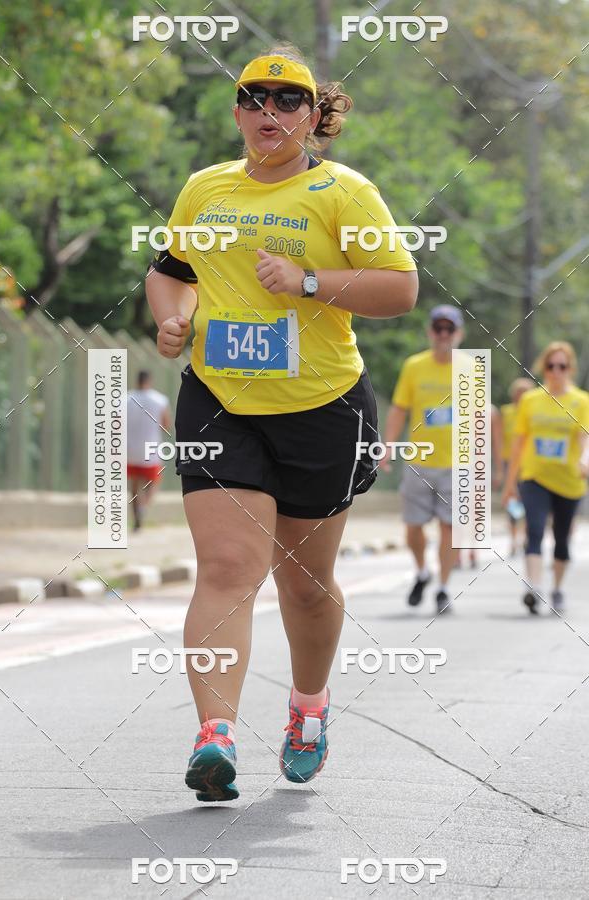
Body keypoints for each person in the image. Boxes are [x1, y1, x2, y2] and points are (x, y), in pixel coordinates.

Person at [145, 44, 418, 801]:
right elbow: (170, 274)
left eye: (287, 100)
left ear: (314, 116)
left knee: (304, 583)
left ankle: (307, 708)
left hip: (321, 409)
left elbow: (400, 289)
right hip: (220, 401)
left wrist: (308, 281)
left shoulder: (343, 193)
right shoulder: (205, 190)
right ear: (236, 110)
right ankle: (215, 736)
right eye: (253, 98)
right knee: (228, 570)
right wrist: (173, 323)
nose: (269, 112)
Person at [381, 305, 463, 613]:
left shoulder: (470, 369)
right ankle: (422, 572)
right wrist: (388, 445)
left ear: (459, 334)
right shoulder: (414, 366)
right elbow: (400, 408)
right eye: (438, 328)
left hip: (457, 464)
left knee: (449, 528)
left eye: (449, 329)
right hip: (419, 461)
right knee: (413, 527)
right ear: (430, 332)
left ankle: (442, 588)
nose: (444, 335)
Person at [502, 342, 589, 614]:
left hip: (569, 480)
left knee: (561, 539)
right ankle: (534, 588)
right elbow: (518, 444)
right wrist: (509, 483)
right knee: (535, 530)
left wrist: (585, 461)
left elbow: (584, 437)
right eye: (551, 366)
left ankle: (558, 588)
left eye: (561, 366)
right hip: (534, 476)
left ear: (570, 369)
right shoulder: (530, 401)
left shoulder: (581, 401)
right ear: (544, 368)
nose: (556, 372)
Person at [126, 370, 171, 531]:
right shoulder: (159, 399)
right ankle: (143, 507)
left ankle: (136, 515)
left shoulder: (125, 399)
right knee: (153, 482)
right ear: (149, 381)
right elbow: (166, 425)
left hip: (130, 449)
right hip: (151, 449)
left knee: (133, 485)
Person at [495, 378, 534, 556]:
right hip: (509, 461)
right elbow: (499, 437)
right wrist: (500, 468)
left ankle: (526, 536)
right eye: (519, 393)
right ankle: (513, 539)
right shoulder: (506, 412)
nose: (521, 397)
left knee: (528, 501)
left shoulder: (534, 412)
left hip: (528, 463)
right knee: (512, 501)